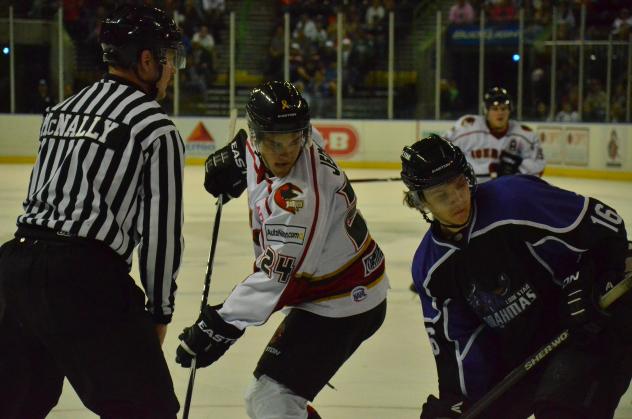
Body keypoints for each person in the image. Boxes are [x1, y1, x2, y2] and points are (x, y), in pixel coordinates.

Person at [0, 5, 186, 418]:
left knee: (16, 404)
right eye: (170, 58)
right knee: (148, 409)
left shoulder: (59, 111)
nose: (173, 69)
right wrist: (158, 311)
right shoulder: (156, 128)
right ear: (146, 60)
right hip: (83, 278)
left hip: (14, 270)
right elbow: (161, 233)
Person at [175, 81, 389, 418]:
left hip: (344, 301)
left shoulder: (299, 201)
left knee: (272, 401)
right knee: (266, 399)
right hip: (335, 283)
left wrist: (219, 324)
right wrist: (240, 153)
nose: (285, 151)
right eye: (273, 142)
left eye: (293, 141)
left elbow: (280, 280)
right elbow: (277, 133)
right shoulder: (298, 136)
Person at [401, 135, 632, 418]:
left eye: (460, 185)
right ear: (420, 202)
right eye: (441, 196)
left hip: (585, 328)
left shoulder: (515, 199)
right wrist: (455, 402)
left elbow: (609, 229)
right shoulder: (430, 267)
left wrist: (595, 277)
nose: (458, 199)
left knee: (560, 410)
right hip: (524, 352)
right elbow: (458, 344)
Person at [445, 86, 546, 183]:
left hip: (508, 190)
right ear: (486, 111)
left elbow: (539, 165)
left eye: (504, 108)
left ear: (509, 110)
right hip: (472, 190)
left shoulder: (525, 135)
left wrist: (518, 171)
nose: (500, 113)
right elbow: (444, 151)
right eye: (495, 109)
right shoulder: (467, 127)